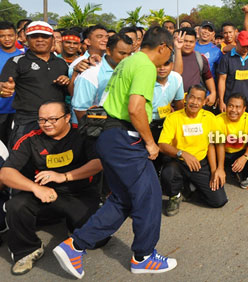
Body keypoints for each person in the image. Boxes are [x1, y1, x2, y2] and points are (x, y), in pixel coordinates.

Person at [52, 26, 177, 279]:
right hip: (125, 137)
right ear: (163, 47)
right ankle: (143, 256)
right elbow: (135, 108)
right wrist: (150, 142)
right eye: (170, 52)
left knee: (123, 199)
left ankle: (75, 246)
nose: (169, 59)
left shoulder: (128, 62)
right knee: (150, 197)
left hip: (110, 136)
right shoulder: (145, 65)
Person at [0, 101, 103, 275]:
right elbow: (5, 173)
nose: (47, 124)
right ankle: (28, 249)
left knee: (99, 239)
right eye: (42, 120)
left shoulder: (83, 134)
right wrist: (35, 188)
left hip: (78, 193)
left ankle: (74, 226)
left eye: (53, 119)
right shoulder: (30, 139)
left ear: (68, 117)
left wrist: (64, 176)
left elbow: (98, 163)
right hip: (44, 194)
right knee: (16, 206)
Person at [159, 85, 227, 215]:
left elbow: (218, 144)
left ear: (204, 102)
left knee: (219, 201)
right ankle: (175, 195)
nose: (195, 102)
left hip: (200, 163)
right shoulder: (173, 118)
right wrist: (182, 153)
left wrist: (219, 169)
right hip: (178, 161)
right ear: (186, 98)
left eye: (199, 99)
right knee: (169, 172)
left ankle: (190, 188)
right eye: (192, 98)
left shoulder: (210, 117)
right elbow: (162, 145)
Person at [0, 21, 69, 148]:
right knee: (22, 160)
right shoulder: (16, 61)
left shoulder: (61, 63)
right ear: (26, 39)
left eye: (45, 37)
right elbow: (4, 85)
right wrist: (4, 89)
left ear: (53, 39)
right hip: (28, 120)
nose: (40, 40)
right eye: (34, 37)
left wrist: (67, 80)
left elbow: (69, 92)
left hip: (56, 120)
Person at [71, 33, 133, 122]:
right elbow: (80, 110)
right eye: (122, 53)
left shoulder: (130, 70)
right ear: (108, 50)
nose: (126, 58)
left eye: (129, 54)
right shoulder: (91, 73)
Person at [216, 94, 248, 189]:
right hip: (222, 152)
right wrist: (220, 167)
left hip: (241, 152)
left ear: (244, 109)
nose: (233, 110)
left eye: (238, 107)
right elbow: (218, 145)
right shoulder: (218, 120)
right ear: (226, 106)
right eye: (230, 106)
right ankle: (220, 171)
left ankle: (243, 175)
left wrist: (245, 157)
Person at [217, 30, 248, 115]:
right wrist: (221, 100)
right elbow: (222, 80)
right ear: (237, 42)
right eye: (243, 46)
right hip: (231, 102)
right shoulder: (227, 58)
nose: (245, 49)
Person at [173, 28, 217, 109]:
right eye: (185, 41)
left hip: (195, 104)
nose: (188, 44)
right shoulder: (170, 58)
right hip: (174, 104)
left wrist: (213, 92)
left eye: (191, 42)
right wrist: (178, 49)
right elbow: (176, 75)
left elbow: (208, 77)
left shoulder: (200, 58)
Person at [0, 21, 22, 144]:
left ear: (16, 36)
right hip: (0, 110)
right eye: (2, 36)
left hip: (18, 111)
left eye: (10, 35)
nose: (7, 39)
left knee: (16, 146)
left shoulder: (25, 56)